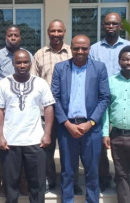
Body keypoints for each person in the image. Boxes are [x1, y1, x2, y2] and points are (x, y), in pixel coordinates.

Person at [51, 34, 110, 203]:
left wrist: (90, 123)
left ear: (89, 49)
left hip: (91, 129)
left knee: (92, 171)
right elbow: (54, 98)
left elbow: (104, 98)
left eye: (84, 48)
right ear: (71, 48)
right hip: (66, 128)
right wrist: (67, 124)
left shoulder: (99, 68)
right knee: (68, 171)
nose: (80, 51)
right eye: (76, 48)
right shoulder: (61, 68)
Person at [0, 49, 55, 203]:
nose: (22, 65)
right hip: (10, 143)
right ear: (13, 64)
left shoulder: (40, 83)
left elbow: (48, 107)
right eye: (18, 62)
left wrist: (47, 133)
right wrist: (0, 136)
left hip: (35, 142)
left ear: (30, 63)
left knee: (37, 185)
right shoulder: (3, 83)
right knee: (10, 185)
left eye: (25, 62)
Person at [31, 19, 82, 195]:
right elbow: (34, 82)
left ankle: (72, 181)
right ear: (47, 32)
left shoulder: (73, 52)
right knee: (46, 149)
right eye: (53, 31)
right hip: (47, 111)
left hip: (69, 111)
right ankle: (49, 179)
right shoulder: (40, 54)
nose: (56, 34)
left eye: (59, 31)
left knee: (70, 150)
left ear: (64, 32)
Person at [90, 12, 130, 192]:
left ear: (120, 26)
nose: (111, 27)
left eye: (114, 24)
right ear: (103, 26)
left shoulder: (128, 46)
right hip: (99, 100)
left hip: (121, 97)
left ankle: (122, 177)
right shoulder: (94, 49)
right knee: (101, 141)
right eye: (107, 24)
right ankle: (104, 178)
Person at [0, 25, 32, 195]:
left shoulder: (28, 55)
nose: (13, 37)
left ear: (20, 37)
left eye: (16, 35)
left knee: (23, 145)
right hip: (4, 110)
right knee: (5, 146)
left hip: (24, 110)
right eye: (10, 35)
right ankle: (4, 179)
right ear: (5, 37)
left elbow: (32, 80)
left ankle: (22, 180)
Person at [102, 45, 130, 203]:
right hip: (117, 136)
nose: (128, 62)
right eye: (125, 59)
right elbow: (105, 111)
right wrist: (105, 133)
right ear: (119, 61)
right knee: (121, 174)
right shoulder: (110, 82)